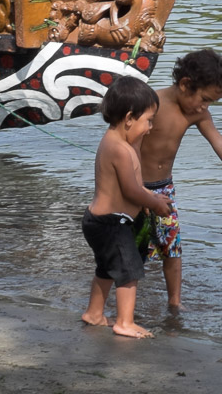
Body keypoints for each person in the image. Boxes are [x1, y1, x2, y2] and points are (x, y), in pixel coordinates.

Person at [137, 47, 222, 311]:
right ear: (185, 85)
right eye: (204, 99)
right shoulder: (151, 105)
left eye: (210, 103)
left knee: (171, 247)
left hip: (164, 189)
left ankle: (175, 302)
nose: (204, 107)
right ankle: (125, 303)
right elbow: (128, 146)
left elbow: (217, 140)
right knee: (133, 249)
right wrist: (134, 188)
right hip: (135, 189)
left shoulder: (196, 113)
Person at [81, 75, 173, 339]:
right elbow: (130, 190)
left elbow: (132, 184)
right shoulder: (119, 149)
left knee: (105, 269)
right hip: (112, 223)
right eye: (149, 120)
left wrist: (148, 195)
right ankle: (125, 322)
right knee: (128, 272)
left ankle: (94, 314)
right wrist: (154, 202)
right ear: (130, 117)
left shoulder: (119, 143)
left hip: (100, 222)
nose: (151, 127)